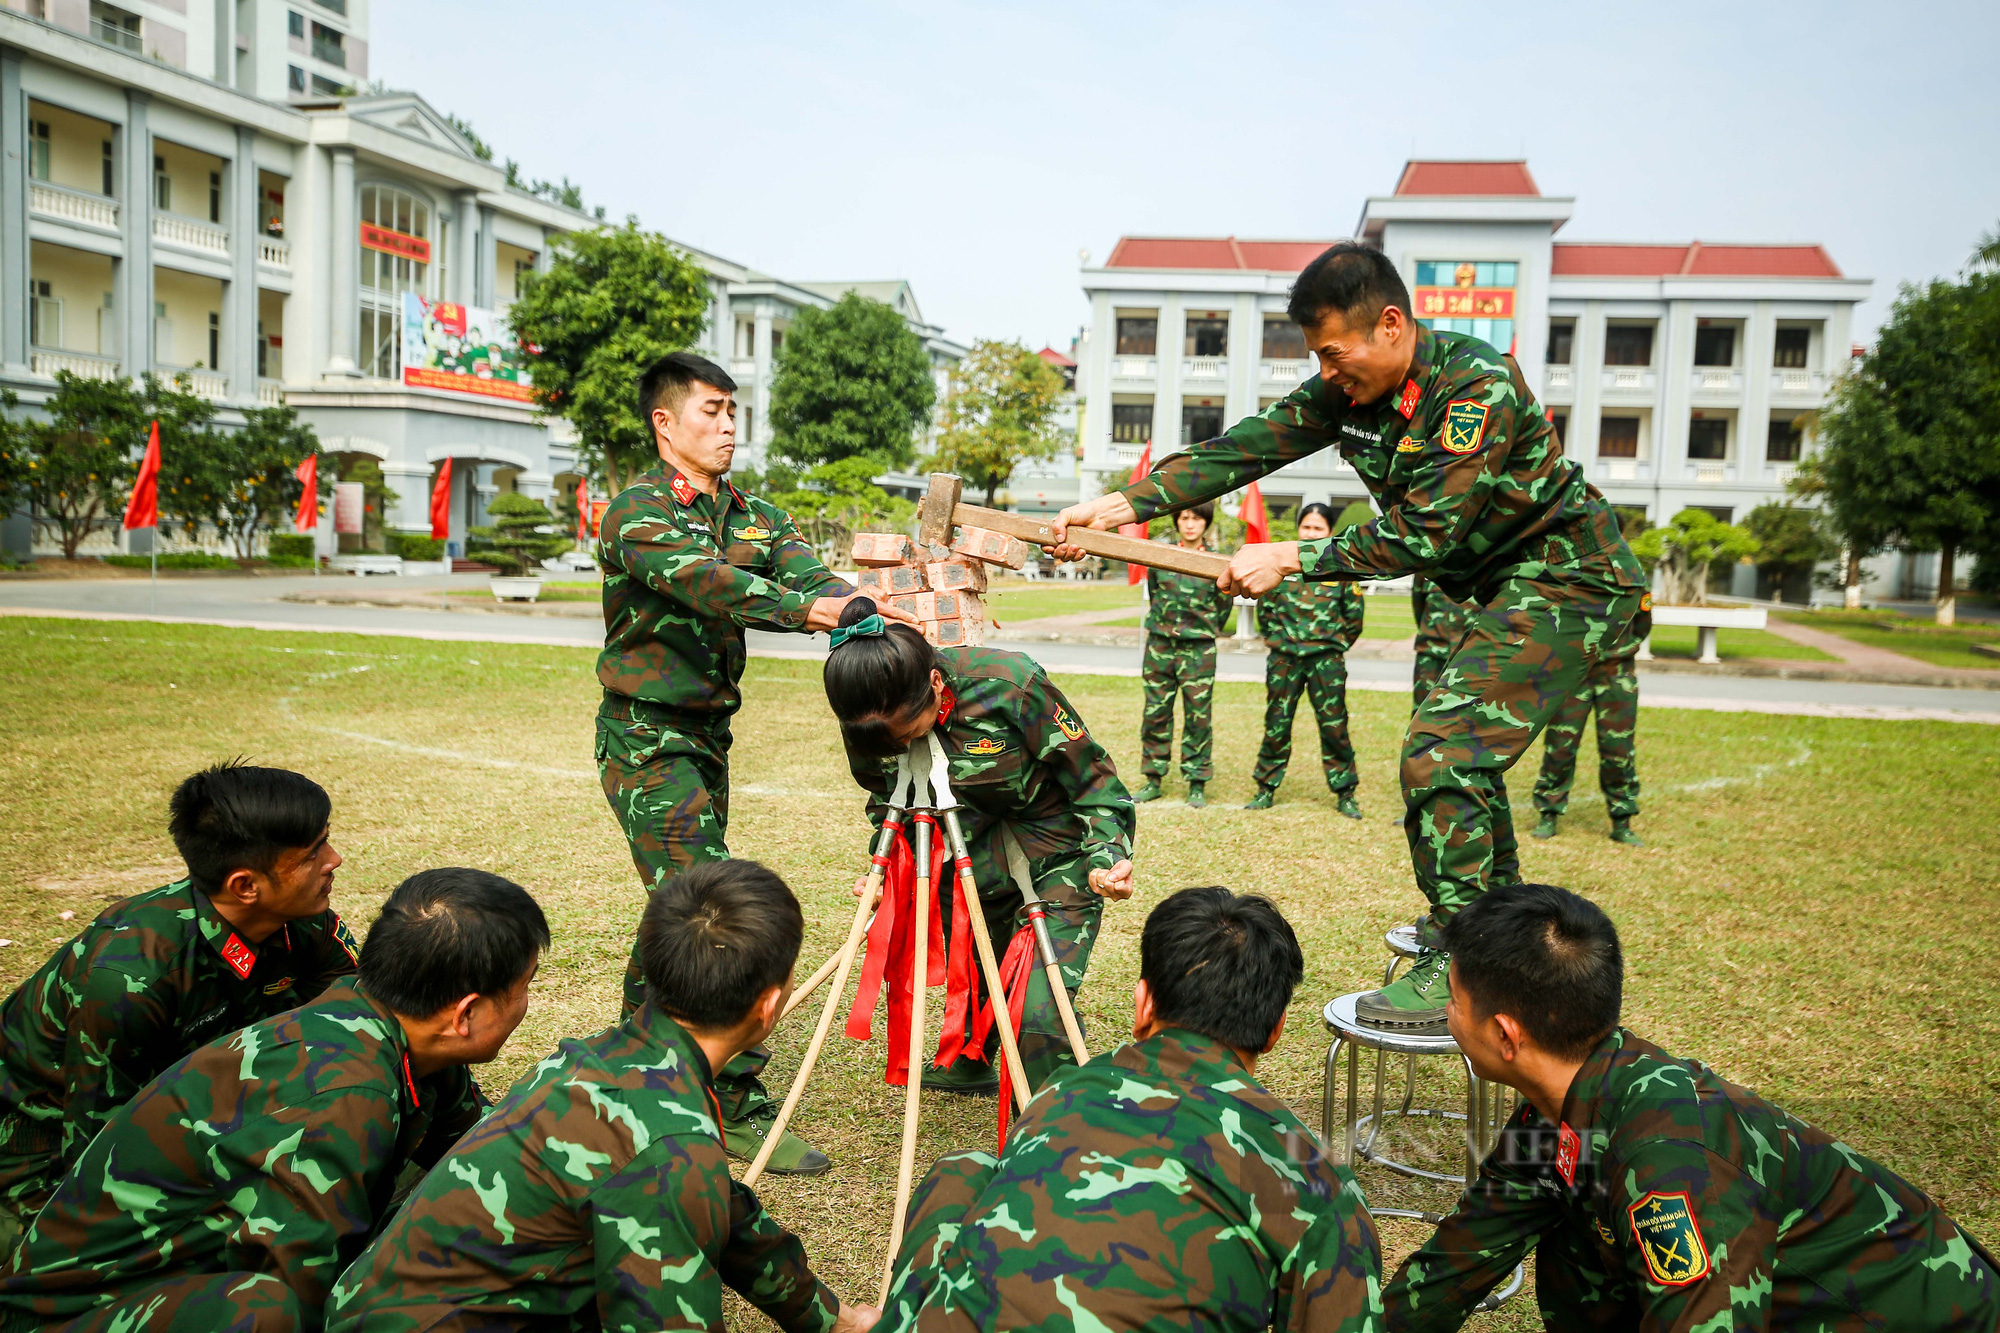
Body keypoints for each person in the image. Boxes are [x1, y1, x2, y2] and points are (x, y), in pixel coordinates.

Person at [1053, 242, 1649, 1034]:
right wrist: (1121, 507)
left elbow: (1428, 534)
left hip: (1573, 577)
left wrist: (1290, 556)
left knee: (1442, 751)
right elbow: (1244, 448)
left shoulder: (1475, 384)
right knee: (1460, 757)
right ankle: (1497, 937)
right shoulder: (1349, 393)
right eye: (1318, 357)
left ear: (1392, 325)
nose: (1327, 371)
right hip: (1511, 587)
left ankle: (1463, 966)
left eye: (1335, 352)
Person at [1384, 882, 2000, 1331]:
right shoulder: (1557, 1111)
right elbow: (1457, 1263)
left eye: (1456, 1000)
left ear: (1507, 1035)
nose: (1446, 1014)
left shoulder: (1673, 1165)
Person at [594, 349, 910, 1174]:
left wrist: (860, 600)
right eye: (711, 411)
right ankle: (726, 1097)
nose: (729, 426)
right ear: (665, 424)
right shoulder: (634, 513)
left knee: (677, 900)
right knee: (708, 902)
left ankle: (630, 1061)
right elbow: (706, 584)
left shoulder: (754, 515)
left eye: (735, 412)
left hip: (707, 739)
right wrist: (810, 610)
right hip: (646, 735)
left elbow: (810, 569)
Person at [326, 860, 876, 1333]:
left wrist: (833, 1319)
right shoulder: (666, 1142)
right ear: (769, 1005)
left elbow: (726, 1214)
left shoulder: (608, 1058)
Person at [0, 868, 546, 1333]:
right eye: (524, 985)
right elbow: (311, 1294)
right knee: (272, 1313)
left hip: (184, 1274)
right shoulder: (346, 1096)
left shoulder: (390, 1023)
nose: (526, 1002)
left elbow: (480, 1153)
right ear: (465, 1014)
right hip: (77, 1310)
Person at [878, 886, 1383, 1333]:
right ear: (1275, 1031)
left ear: (1142, 1004)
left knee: (964, 1169)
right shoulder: (1313, 1174)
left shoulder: (1063, 1089)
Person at [0, 762, 357, 1256]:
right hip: (40, 1148)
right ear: (245, 886)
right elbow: (99, 1154)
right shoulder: (129, 980)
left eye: (327, 840)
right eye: (313, 852)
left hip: (195, 1108)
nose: (333, 860)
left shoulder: (304, 927)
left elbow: (362, 1027)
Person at [824, 598, 1135, 1095]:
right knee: (972, 972)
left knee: (1038, 1006)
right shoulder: (868, 719)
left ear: (934, 684)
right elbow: (888, 801)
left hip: (1054, 852)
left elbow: (1093, 780)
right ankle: (969, 1057)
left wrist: (1107, 859)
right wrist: (887, 870)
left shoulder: (1008, 684)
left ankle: (1057, 1129)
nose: (899, 747)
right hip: (964, 860)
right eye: (887, 742)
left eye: (908, 732)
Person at [1247, 501, 1366, 817]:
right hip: (1285, 661)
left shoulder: (1341, 568)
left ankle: (1345, 792)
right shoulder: (1281, 567)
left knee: (1334, 728)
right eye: (1307, 527)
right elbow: (1266, 611)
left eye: (1318, 528)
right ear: (1299, 529)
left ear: (1329, 533)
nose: (1311, 533)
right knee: (1276, 725)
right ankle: (1266, 788)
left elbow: (1354, 617)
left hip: (1326, 662)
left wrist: (1332, 645)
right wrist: (1281, 641)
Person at [1134, 502, 1236, 808]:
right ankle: (1153, 778)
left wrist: (1202, 630)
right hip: (1161, 646)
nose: (1190, 524)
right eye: (1184, 517)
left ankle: (1196, 781)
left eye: (1196, 519)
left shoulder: (1218, 562)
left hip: (1198, 649)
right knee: (1156, 712)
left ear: (1206, 523)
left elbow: (1224, 606)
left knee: (1198, 716)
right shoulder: (1163, 558)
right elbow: (1155, 593)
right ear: (1178, 521)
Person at [1530, 619, 1643, 845]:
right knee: (1560, 747)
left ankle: (1621, 820)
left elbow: (1642, 624)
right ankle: (1548, 814)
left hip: (1616, 674)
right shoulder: (1575, 583)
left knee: (1618, 751)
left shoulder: (1632, 584)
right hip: (1573, 673)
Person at [1408, 575, 1473, 711]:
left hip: (1471, 656)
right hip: (1430, 656)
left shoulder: (1484, 561)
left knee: (1468, 715)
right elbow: (1418, 604)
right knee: (1422, 712)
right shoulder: (1427, 561)